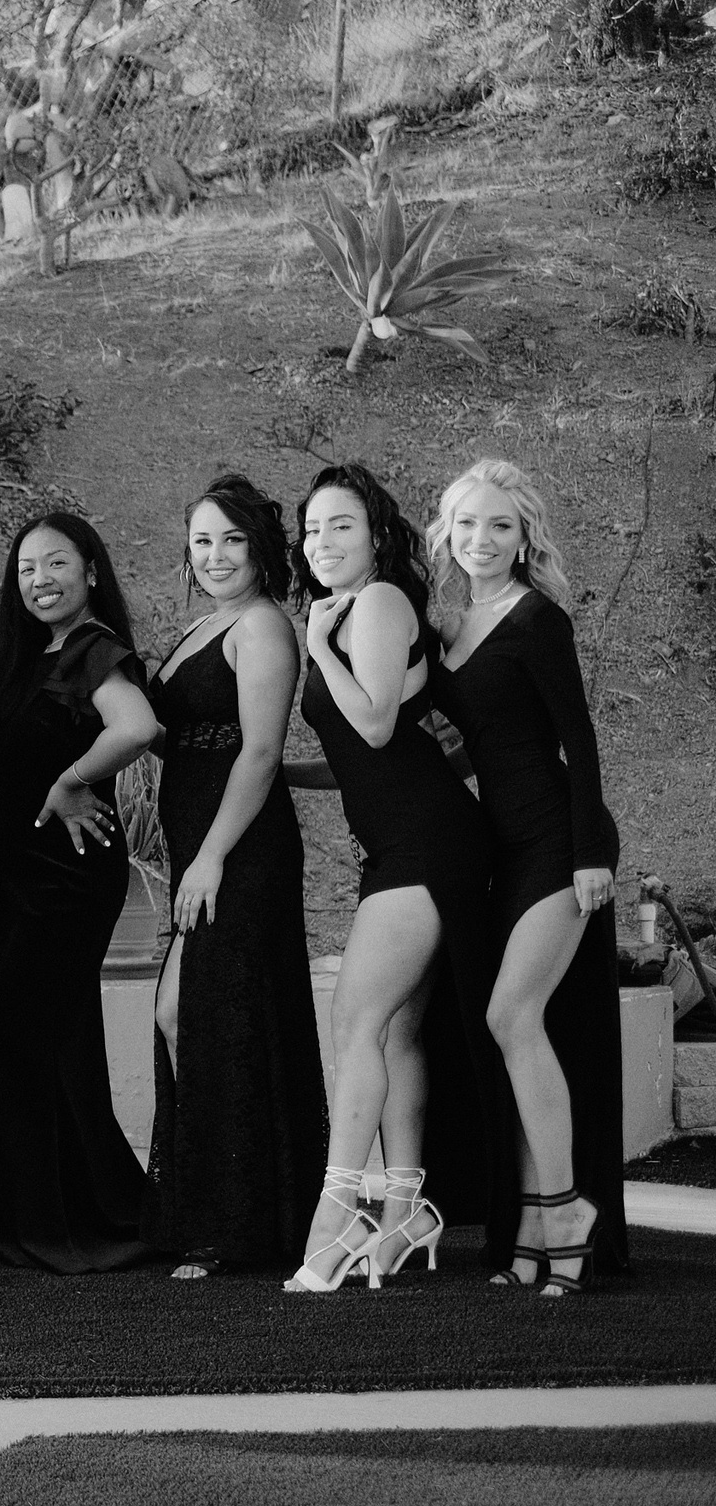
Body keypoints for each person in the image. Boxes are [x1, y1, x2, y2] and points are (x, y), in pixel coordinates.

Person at [282, 463, 499, 1293]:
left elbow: (370, 724)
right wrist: (282, 776)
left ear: (375, 534)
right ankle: (407, 1205)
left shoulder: (374, 603)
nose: (323, 542)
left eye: (341, 525)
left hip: (426, 841)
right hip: (405, 834)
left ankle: (339, 1213)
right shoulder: (352, 610)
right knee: (398, 1030)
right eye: (312, 528)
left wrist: (313, 645)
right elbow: (371, 751)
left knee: (355, 1019)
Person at [428, 459, 627, 1292]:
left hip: (557, 841)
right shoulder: (449, 623)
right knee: (511, 1030)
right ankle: (533, 1224)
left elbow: (575, 741)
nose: (483, 539)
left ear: (525, 537)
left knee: (514, 1015)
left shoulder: (539, 619)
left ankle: (568, 1207)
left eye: (500, 526)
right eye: (468, 523)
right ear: (446, 532)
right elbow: (478, 744)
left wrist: (591, 854)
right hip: (499, 848)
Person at [141, 476, 324, 1278]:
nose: (214, 556)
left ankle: (239, 1224)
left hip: (242, 851)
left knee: (216, 1017)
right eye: (201, 541)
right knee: (184, 1014)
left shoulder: (263, 628)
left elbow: (257, 750)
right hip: (200, 849)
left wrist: (211, 856)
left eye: (231, 540)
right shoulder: (202, 625)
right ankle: (209, 1208)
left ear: (261, 548)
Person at [0, 511, 160, 1274]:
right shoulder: (33, 657)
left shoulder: (93, 649)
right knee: (46, 1037)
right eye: (26, 569)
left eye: (56, 563)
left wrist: (71, 777)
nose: (40, 580)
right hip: (20, 864)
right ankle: (64, 1212)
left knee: (25, 1030)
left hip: (68, 867)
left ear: (91, 569)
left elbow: (138, 725)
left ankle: (90, 1221)